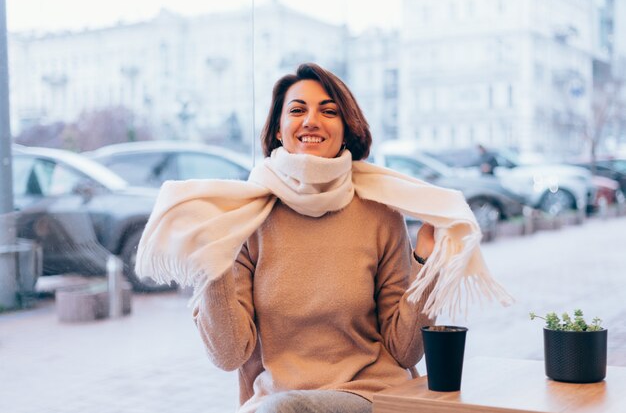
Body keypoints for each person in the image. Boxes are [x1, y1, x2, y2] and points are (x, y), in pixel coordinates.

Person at [135, 63, 508, 413]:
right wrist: (211, 264)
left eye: (328, 111)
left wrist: (426, 259)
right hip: (279, 401)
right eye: (297, 110)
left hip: (371, 395)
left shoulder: (379, 212)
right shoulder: (244, 217)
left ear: (346, 129)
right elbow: (229, 355)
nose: (312, 120)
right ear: (278, 130)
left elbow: (405, 351)